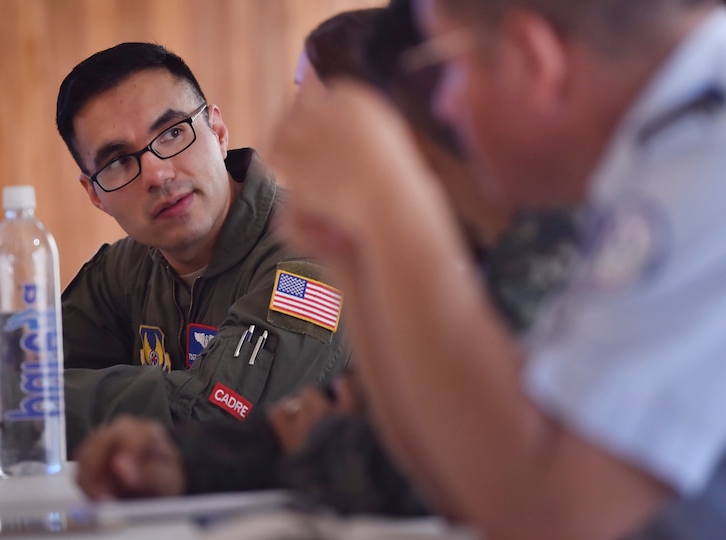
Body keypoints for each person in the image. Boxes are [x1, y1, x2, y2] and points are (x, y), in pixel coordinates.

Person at [74, 5, 579, 519]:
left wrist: (307, 440)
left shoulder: (557, 251)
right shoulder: (437, 253)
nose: (293, 133)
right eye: (299, 103)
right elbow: (365, 430)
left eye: (324, 112)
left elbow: (446, 468)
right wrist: (183, 462)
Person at [268, 0, 726, 538]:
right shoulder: (662, 149)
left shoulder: (701, 162)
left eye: (450, 65)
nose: (444, 105)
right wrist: (360, 248)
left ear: (533, 59)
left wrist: (396, 211)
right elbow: (471, 483)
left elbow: (554, 516)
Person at [0, 42, 350, 453]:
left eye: (173, 133)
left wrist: (14, 398)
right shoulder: (124, 270)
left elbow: (228, 417)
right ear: (94, 193)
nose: (158, 174)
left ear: (217, 129)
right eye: (118, 162)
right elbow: (35, 375)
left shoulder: (312, 256)